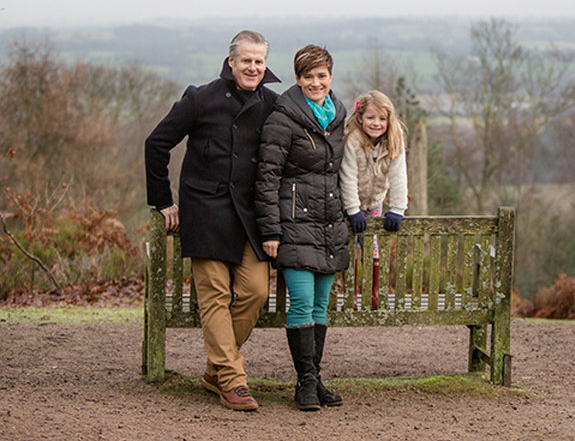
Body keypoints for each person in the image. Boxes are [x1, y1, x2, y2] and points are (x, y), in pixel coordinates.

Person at [144, 30, 279, 411]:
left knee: (255, 292)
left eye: (259, 61)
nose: (253, 67)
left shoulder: (272, 103)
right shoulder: (199, 99)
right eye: (246, 60)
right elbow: (156, 144)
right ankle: (233, 381)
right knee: (215, 296)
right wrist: (163, 201)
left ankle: (214, 371)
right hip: (205, 212)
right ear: (231, 61)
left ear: (265, 64)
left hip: (250, 218)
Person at [255, 44, 348, 411]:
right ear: (297, 78)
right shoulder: (283, 117)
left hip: (328, 225)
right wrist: (270, 231)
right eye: (308, 76)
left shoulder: (338, 116)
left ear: (330, 77)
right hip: (293, 225)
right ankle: (305, 383)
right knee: (303, 303)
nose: (315, 82)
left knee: (321, 305)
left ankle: (315, 377)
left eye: (321, 76)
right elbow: (266, 177)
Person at [339, 90, 408, 308]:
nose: (376, 123)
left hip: (374, 203)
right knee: (348, 247)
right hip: (349, 204)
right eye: (370, 118)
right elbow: (347, 176)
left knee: (371, 247)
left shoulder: (394, 141)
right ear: (360, 118)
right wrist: (352, 209)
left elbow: (399, 176)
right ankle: (351, 294)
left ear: (389, 119)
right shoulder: (352, 140)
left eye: (382, 119)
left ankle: (372, 293)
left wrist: (397, 208)